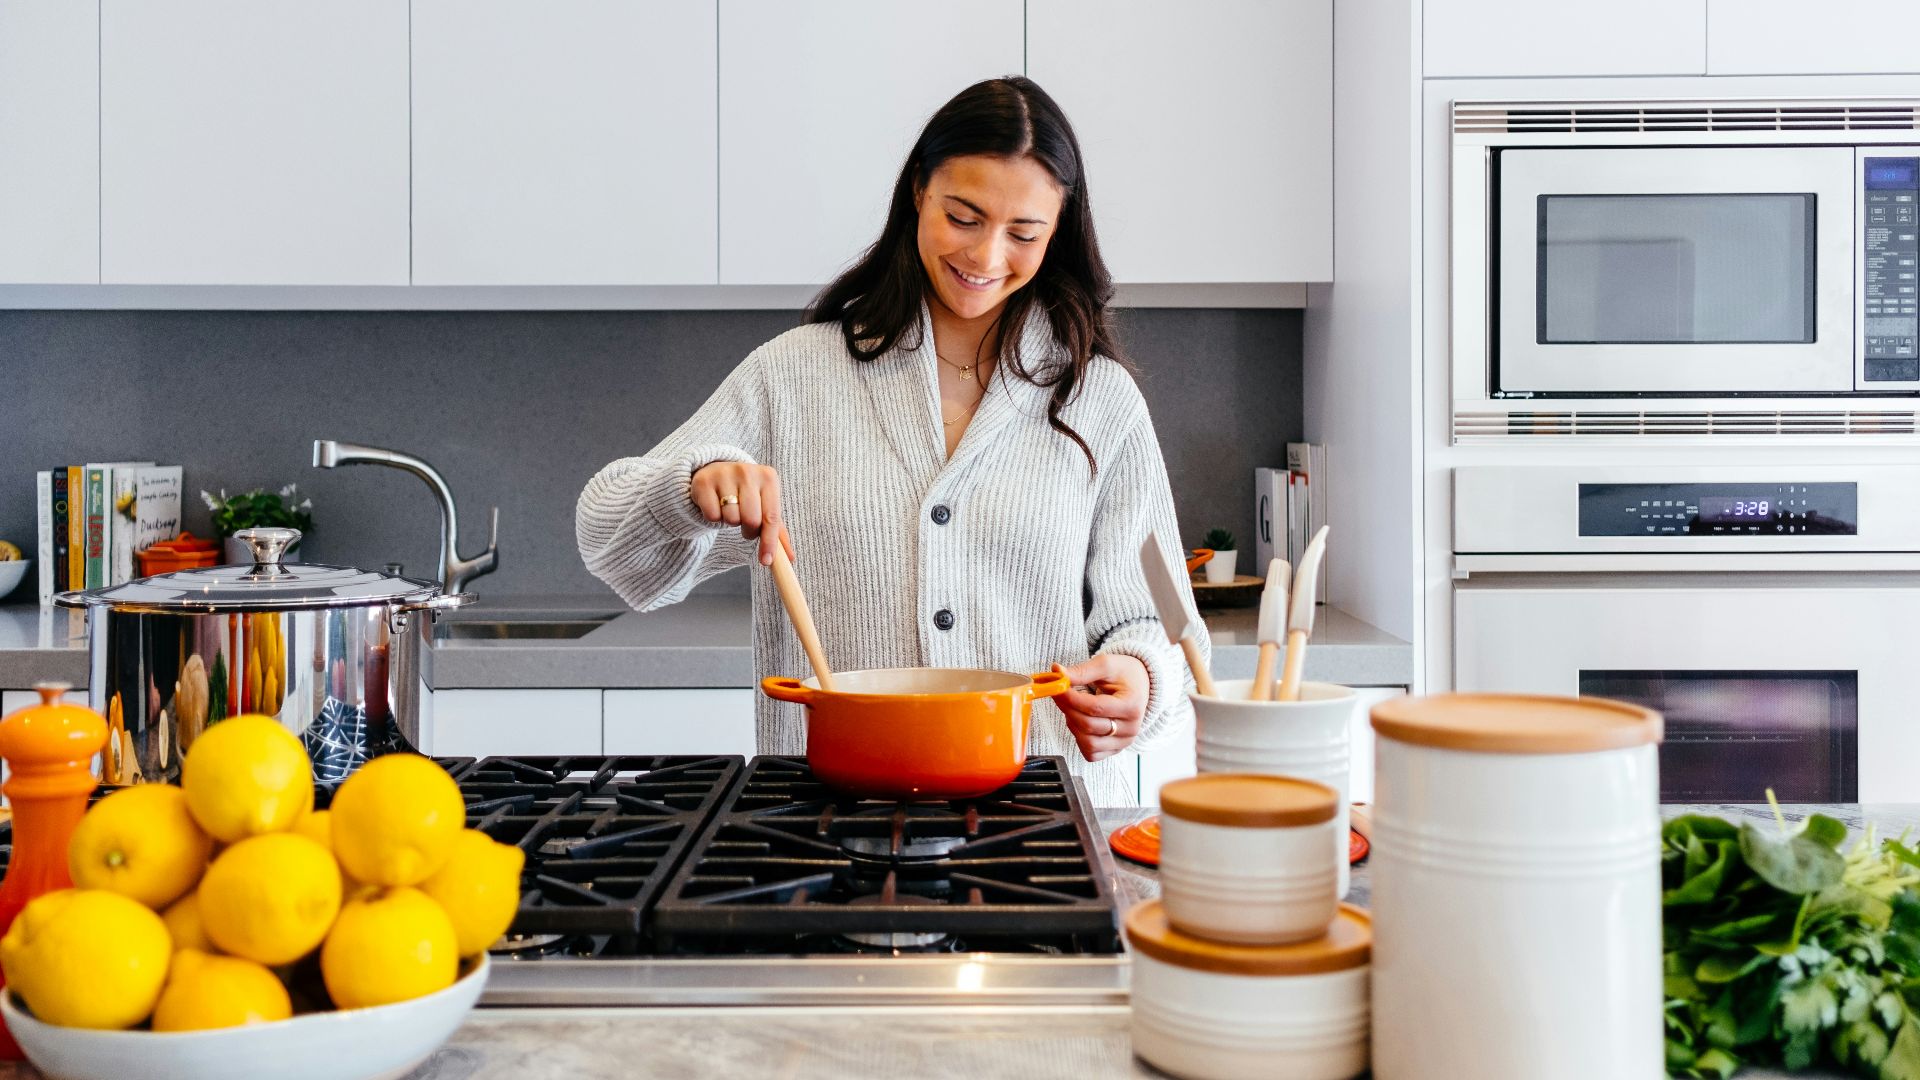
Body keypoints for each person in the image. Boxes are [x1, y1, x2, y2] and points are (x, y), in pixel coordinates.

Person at [575, 76, 1208, 806]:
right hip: (820, 824)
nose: (987, 254)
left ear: (1059, 230)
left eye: (1023, 233)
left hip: (1034, 825)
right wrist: (690, 487)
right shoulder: (797, 376)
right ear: (918, 192)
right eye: (963, 216)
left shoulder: (1098, 399)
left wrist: (1137, 677)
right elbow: (610, 544)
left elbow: (1159, 623)